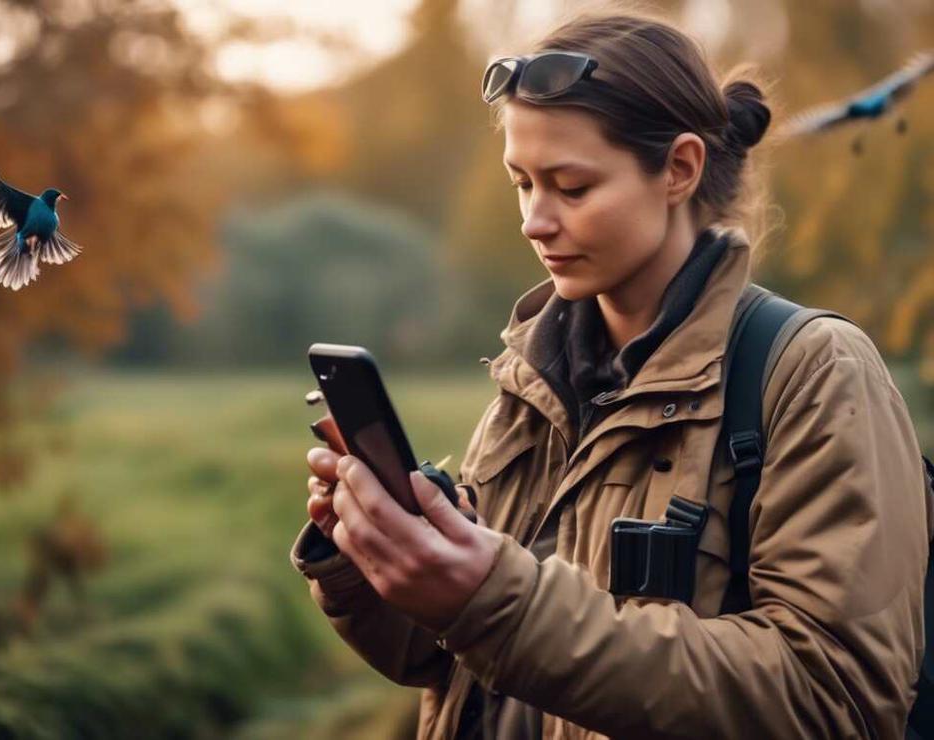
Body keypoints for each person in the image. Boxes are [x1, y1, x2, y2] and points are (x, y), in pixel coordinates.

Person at [290, 9, 932, 739]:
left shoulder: (813, 373)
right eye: (521, 184)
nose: (534, 220)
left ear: (679, 169)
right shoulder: (532, 377)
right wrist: (375, 559)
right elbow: (447, 662)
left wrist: (493, 598)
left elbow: (835, 702)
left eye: (569, 187)